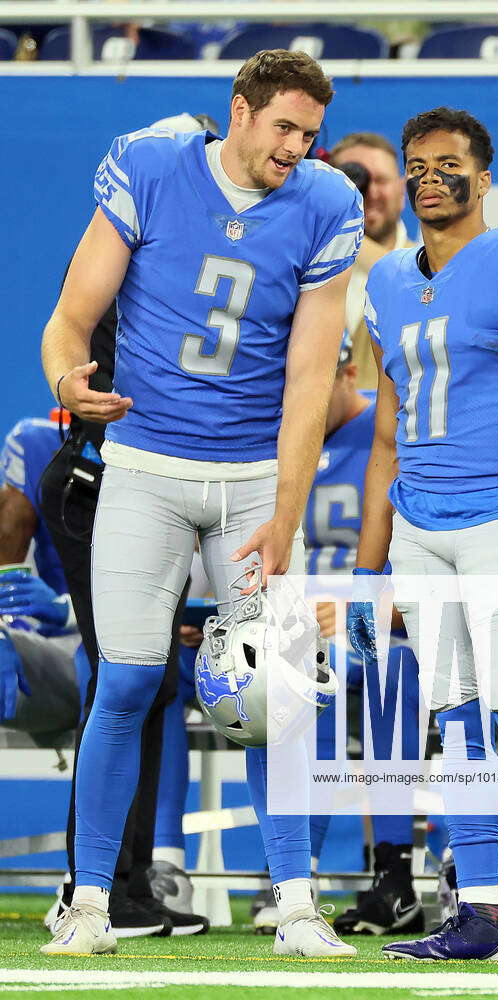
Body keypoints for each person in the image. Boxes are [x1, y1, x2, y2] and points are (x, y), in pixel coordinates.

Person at [39, 49, 363, 957]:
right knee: (131, 677)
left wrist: (288, 511)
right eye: (284, 128)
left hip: (254, 476)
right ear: (239, 110)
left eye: (310, 133)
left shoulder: (327, 203)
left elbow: (309, 378)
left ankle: (295, 903)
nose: (297, 149)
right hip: (144, 463)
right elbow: (69, 316)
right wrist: (68, 378)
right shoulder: (150, 165)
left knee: (267, 692)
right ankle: (92, 901)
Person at [348, 106, 498, 964]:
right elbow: (384, 434)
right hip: (418, 522)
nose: (428, 176)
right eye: (416, 163)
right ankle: (480, 911)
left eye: (448, 163)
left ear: (482, 178)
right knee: (451, 722)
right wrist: (365, 568)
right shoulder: (380, 281)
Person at [39, 113, 220, 942]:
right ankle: (95, 884)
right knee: (126, 677)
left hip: (146, 487)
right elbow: (71, 334)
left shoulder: (180, 251)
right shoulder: (137, 256)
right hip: (101, 482)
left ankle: (122, 878)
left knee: (151, 683)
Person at [252, 336, 424, 936]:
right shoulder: (274, 436)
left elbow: (423, 552)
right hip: (289, 634)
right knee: (297, 673)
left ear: (349, 372)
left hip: (378, 629)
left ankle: (394, 874)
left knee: (387, 673)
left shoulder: (394, 434)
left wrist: (360, 609)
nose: (294, 399)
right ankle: (295, 875)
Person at [0, 415, 80, 740]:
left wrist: (69, 612)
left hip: (147, 654)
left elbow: (188, 601)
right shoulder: (41, 445)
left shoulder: (178, 450)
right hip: (60, 654)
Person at [329, 133, 414, 390]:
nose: (369, 191)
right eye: (354, 178)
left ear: (403, 188)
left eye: (380, 179)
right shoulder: (300, 268)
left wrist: (337, 231)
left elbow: (414, 281)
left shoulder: (431, 267)